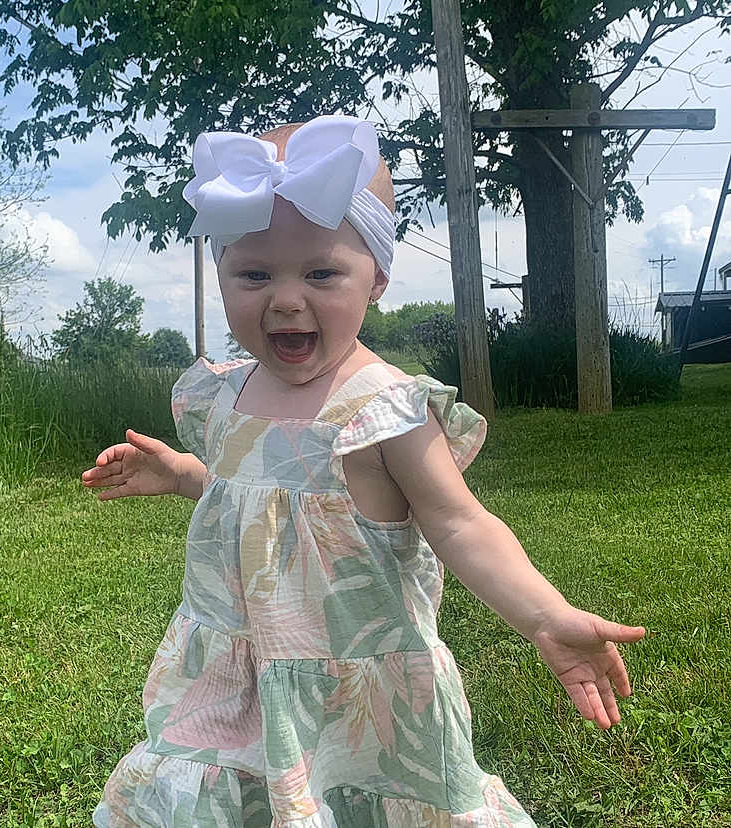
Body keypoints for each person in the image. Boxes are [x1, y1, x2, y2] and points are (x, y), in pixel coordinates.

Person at [82, 115, 645, 827]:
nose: (287, 298)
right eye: (254, 274)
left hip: (358, 695)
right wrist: (186, 474)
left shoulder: (386, 409)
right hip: (233, 677)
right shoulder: (223, 394)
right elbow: (252, 495)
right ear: (220, 274)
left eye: (321, 273)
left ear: (375, 277)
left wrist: (545, 616)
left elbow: (460, 522)